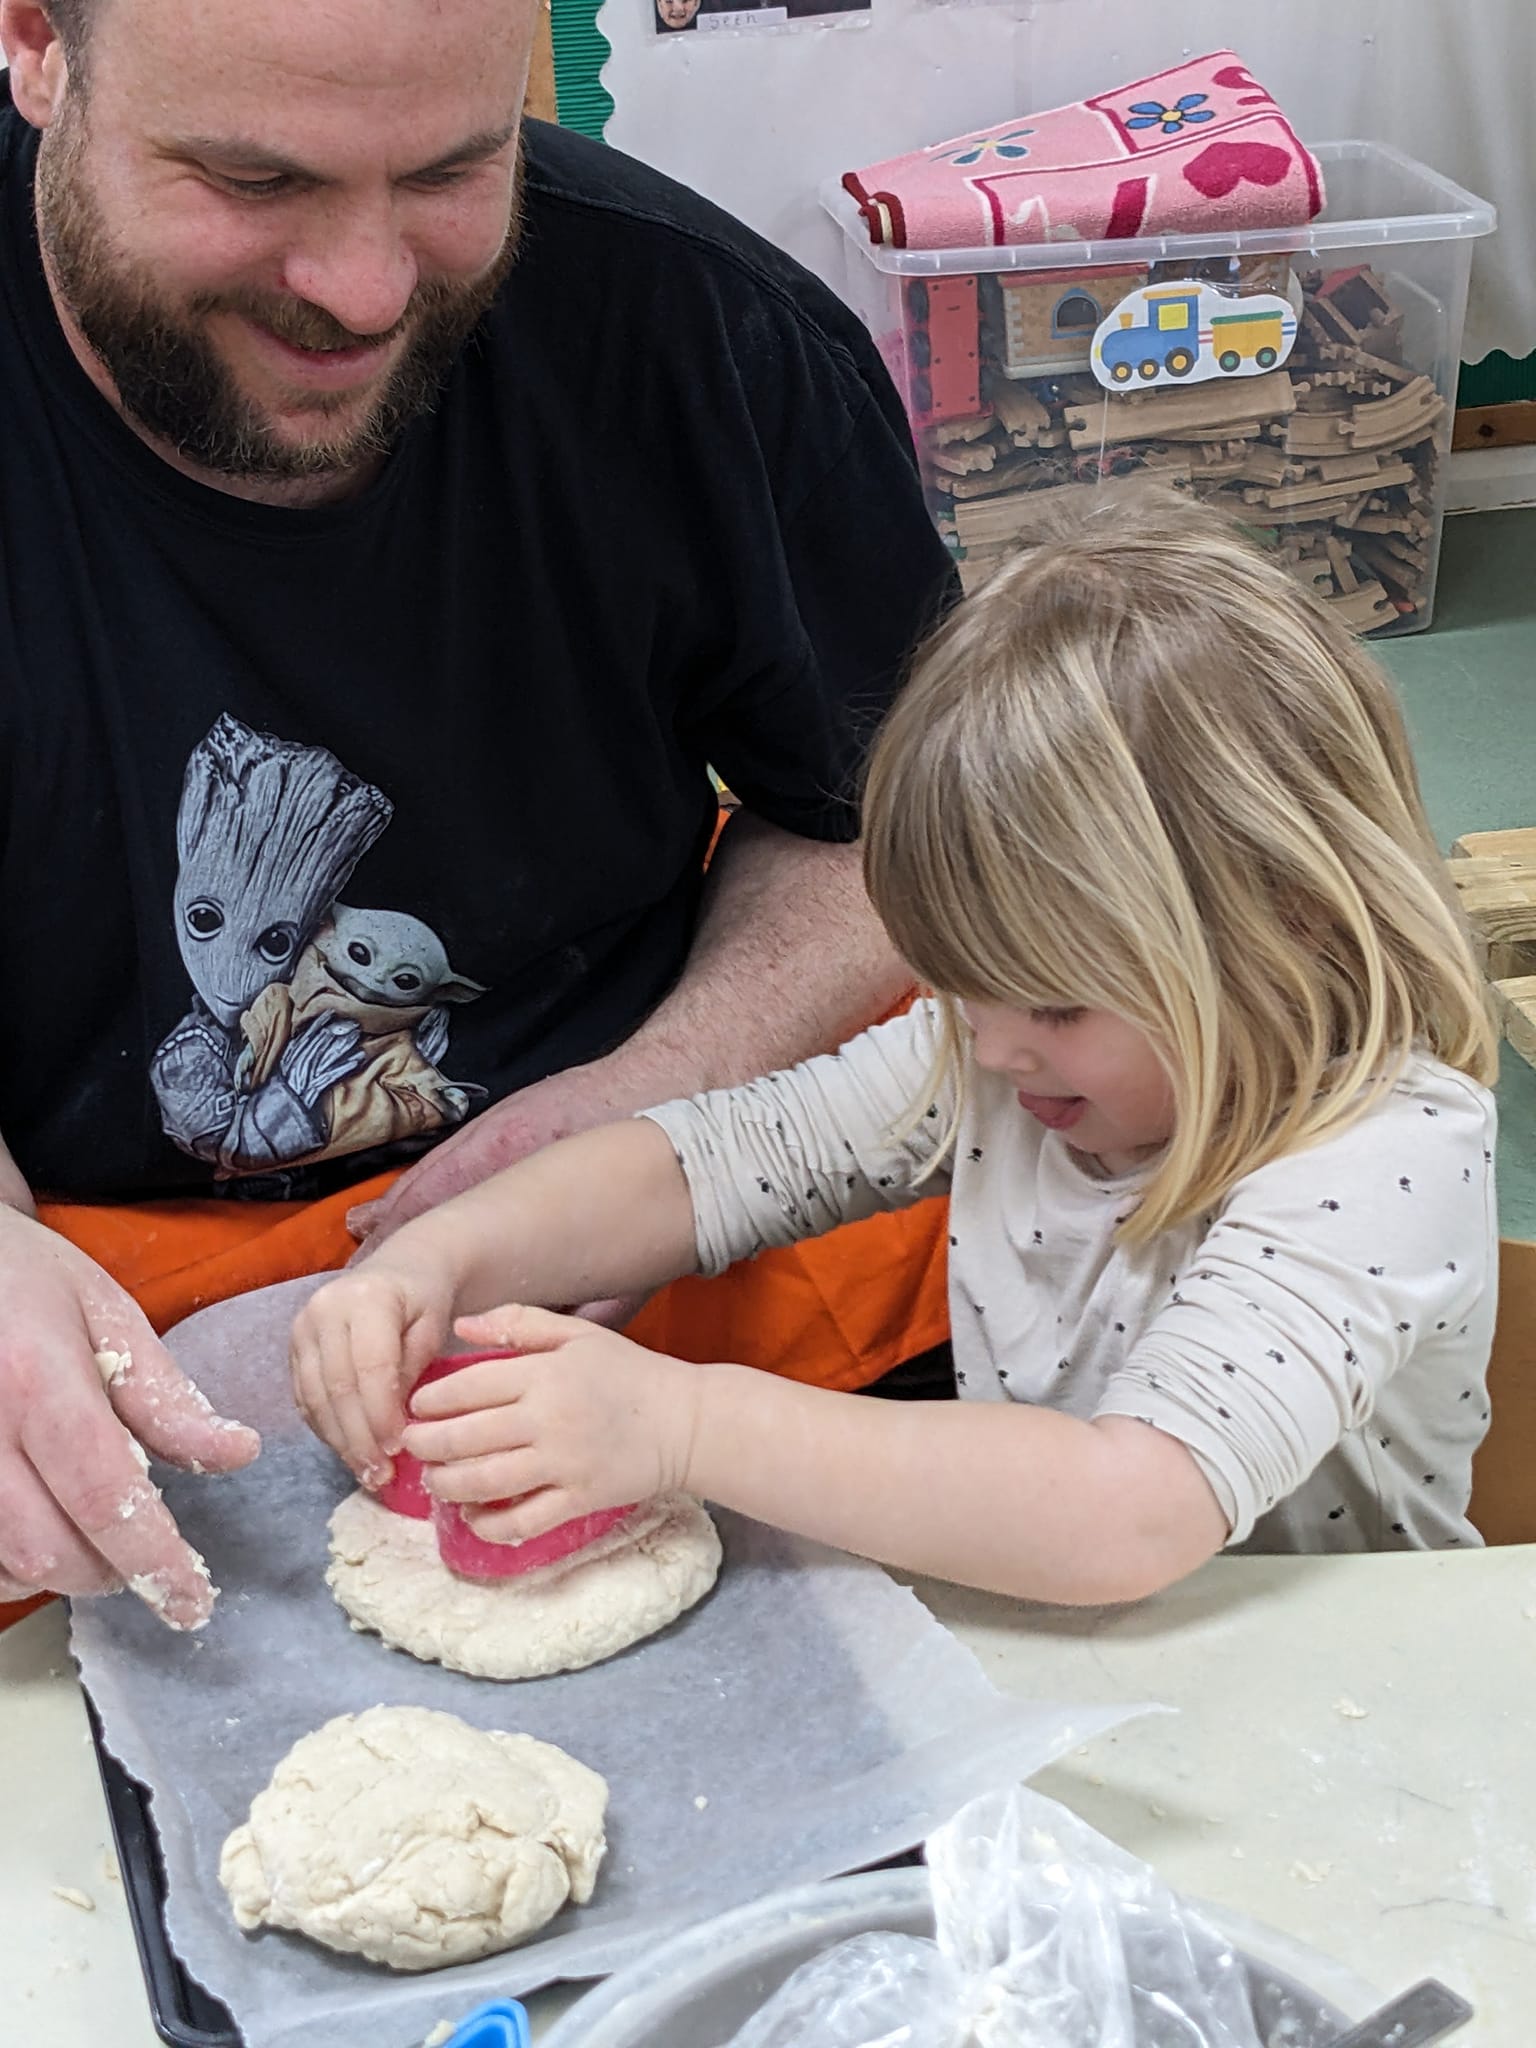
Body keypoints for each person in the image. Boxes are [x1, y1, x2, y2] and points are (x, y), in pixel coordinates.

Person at [0, 0, 957, 1628]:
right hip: (76, 1237)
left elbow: (889, 821)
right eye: (254, 179)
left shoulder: (700, 327)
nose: (366, 292)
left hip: (639, 1178)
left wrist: (665, 1092)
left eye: (451, 171)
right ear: (36, 43)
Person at [293, 492, 1501, 1603]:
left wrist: (683, 1423)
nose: (997, 1047)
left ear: (1289, 920)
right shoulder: (999, 1055)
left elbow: (1127, 1511)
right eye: (965, 987)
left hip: (1352, 1700)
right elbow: (701, 1162)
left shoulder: (1383, 1155)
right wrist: (442, 1257)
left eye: (1057, 1005)